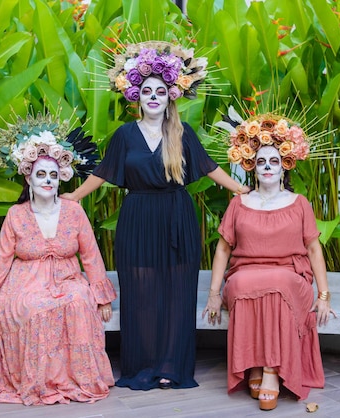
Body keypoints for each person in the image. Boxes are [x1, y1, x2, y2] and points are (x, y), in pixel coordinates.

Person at [61, 41, 249, 390]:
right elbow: (103, 173)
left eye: (159, 91)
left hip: (176, 219)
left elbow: (208, 168)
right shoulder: (124, 136)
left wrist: (240, 190)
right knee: (142, 294)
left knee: (176, 293)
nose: (152, 97)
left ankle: (171, 366)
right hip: (137, 219)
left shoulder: (181, 133)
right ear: (136, 96)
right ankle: (142, 366)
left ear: (169, 96)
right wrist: (73, 194)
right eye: (146, 91)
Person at [0, 113, 117, 405]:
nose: (48, 181)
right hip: (26, 281)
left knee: (79, 302)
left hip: (67, 277)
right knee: (34, 308)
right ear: (28, 177)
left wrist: (101, 296)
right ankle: (38, 381)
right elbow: (1, 260)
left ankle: (76, 378)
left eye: (53, 175)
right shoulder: (17, 215)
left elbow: (91, 255)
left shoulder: (74, 212)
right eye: (41, 174)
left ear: (60, 178)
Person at [203, 110, 336, 410]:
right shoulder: (239, 203)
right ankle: (252, 364)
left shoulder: (299, 203)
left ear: (284, 166)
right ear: (253, 166)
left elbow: (314, 250)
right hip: (244, 274)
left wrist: (324, 295)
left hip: (291, 276)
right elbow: (223, 250)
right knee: (246, 282)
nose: (267, 167)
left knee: (276, 284)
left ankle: (271, 372)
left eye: (274, 161)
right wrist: (213, 295)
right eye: (261, 161)